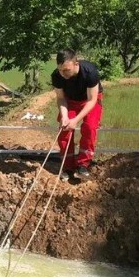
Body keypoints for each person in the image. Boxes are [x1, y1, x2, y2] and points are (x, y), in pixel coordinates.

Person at [51, 49, 103, 180]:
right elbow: (61, 98)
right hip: (70, 100)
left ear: (76, 64)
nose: (63, 74)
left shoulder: (90, 72)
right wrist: (65, 116)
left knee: (90, 128)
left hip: (90, 99)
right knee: (64, 130)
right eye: (60, 70)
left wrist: (76, 120)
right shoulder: (57, 76)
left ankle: (83, 164)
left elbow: (92, 100)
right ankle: (67, 166)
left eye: (67, 70)